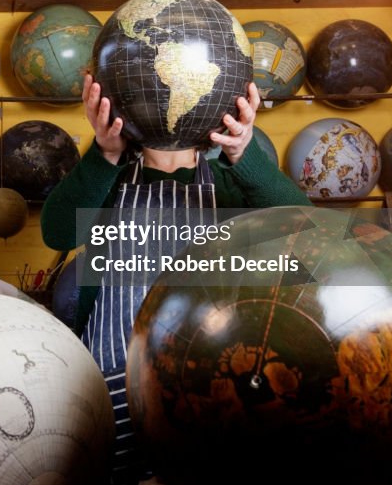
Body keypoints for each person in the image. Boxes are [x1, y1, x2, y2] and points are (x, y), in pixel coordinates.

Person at [41, 74, 311, 484]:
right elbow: (58, 231)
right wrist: (104, 154)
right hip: (113, 380)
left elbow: (302, 229)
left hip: (208, 381)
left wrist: (244, 153)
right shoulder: (107, 182)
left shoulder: (228, 188)